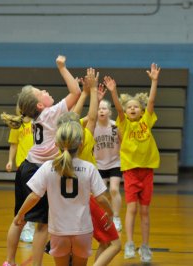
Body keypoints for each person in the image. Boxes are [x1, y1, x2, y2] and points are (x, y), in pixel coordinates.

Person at [1, 55, 81, 266]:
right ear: (39, 104)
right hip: (38, 171)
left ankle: (9, 262)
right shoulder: (50, 114)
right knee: (42, 225)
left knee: (19, 218)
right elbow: (76, 93)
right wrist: (62, 67)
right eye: (42, 92)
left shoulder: (40, 118)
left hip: (25, 167)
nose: (46, 91)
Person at [14, 121, 113, 266]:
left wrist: (20, 214)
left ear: (56, 144)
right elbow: (101, 198)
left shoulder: (48, 167)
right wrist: (110, 213)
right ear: (81, 145)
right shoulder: (89, 168)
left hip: (58, 232)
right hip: (83, 231)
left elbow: (34, 196)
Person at [56, 68, 121, 266]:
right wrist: (91, 91)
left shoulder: (60, 145)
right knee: (115, 244)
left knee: (96, 244)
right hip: (89, 200)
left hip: (66, 207)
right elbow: (90, 118)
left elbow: (74, 118)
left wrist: (85, 93)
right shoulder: (85, 139)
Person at [104, 63, 161, 263]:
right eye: (129, 107)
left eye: (136, 106)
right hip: (130, 172)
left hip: (147, 172)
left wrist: (154, 81)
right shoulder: (124, 123)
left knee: (145, 211)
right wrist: (113, 92)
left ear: (141, 109)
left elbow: (152, 100)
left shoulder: (147, 120)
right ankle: (129, 243)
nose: (132, 108)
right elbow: (118, 108)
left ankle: (145, 246)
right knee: (132, 209)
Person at [5, 106, 35, 243]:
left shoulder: (37, 122)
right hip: (23, 166)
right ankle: (26, 228)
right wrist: (10, 160)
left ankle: (32, 225)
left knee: (35, 198)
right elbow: (14, 145)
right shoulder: (17, 125)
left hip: (37, 164)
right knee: (26, 198)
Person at [94, 99, 123, 232]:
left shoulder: (115, 126)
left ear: (110, 112)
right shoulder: (93, 126)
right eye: (99, 108)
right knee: (101, 193)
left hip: (115, 162)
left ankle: (116, 217)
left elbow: (123, 142)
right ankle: (106, 216)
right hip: (99, 164)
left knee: (114, 190)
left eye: (104, 108)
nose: (101, 110)